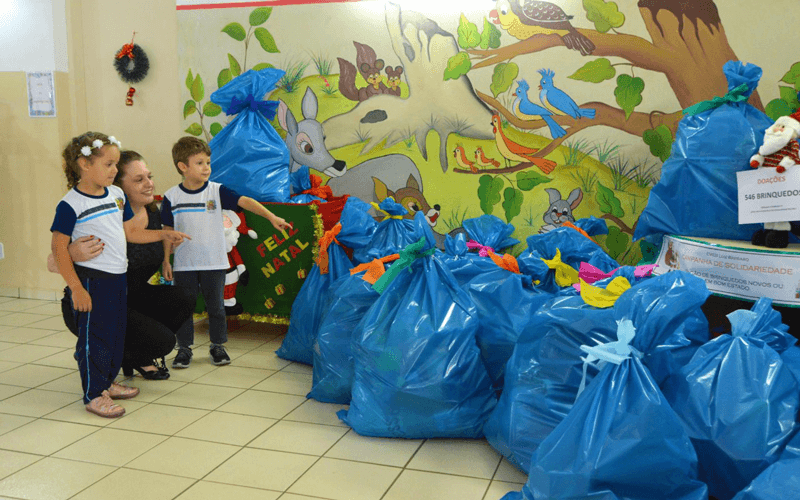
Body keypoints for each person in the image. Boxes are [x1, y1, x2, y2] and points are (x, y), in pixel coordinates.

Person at [51, 132, 189, 418]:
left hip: (117, 280)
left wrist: (162, 234)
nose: (114, 170)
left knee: (115, 336)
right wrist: (76, 288)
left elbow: (130, 232)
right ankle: (94, 395)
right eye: (109, 164)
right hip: (92, 282)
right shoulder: (70, 205)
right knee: (96, 340)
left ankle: (107, 382)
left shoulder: (115, 195)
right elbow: (59, 250)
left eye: (116, 164)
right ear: (84, 164)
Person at [161, 137, 291, 369]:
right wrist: (166, 260)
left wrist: (271, 217)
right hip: (184, 264)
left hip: (214, 263)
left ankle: (218, 346)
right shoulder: (171, 197)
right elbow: (167, 231)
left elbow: (245, 201)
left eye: (208, 162)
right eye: (199, 163)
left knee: (216, 307)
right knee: (184, 308)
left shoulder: (217, 191)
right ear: (183, 166)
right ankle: (184, 348)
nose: (206, 168)